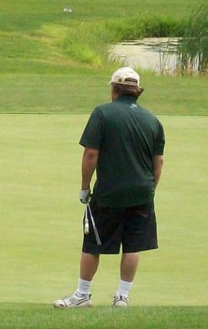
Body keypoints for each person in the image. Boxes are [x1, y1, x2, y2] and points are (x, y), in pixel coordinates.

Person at [54, 67, 165, 309]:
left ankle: (83, 294)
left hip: (108, 193)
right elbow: (158, 162)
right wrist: (150, 189)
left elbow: (91, 153)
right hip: (142, 193)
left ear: (114, 89)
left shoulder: (103, 113)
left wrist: (84, 187)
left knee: (93, 243)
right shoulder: (152, 120)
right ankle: (122, 297)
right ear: (137, 92)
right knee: (133, 245)